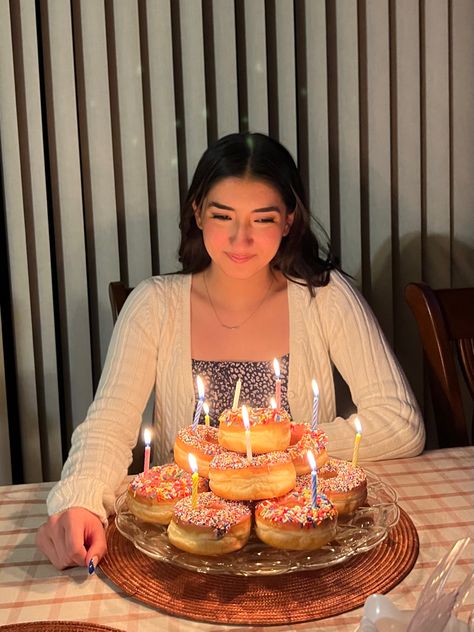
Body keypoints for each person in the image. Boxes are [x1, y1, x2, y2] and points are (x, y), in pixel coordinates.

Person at [36, 132, 425, 570]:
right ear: (197, 212)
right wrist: (81, 499)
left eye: (262, 219)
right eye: (224, 216)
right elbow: (108, 425)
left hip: (300, 551)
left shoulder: (324, 298)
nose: (241, 240)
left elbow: (400, 422)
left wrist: (273, 457)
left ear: (290, 220)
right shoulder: (154, 305)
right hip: (185, 553)